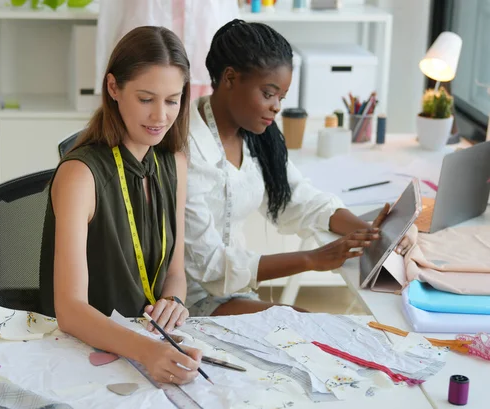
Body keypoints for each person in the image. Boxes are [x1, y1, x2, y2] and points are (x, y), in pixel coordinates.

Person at [184, 19, 414, 317]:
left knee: (317, 327)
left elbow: (297, 198)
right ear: (229, 78)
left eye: (281, 97)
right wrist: (311, 259)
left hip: (231, 290)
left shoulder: (256, 136)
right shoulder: (187, 149)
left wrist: (370, 233)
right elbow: (210, 268)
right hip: (185, 301)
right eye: (268, 94)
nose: (276, 107)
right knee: (309, 327)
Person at [39, 26, 201, 385]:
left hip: (148, 339)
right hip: (82, 351)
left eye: (172, 100)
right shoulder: (80, 175)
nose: (160, 116)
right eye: (146, 99)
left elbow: (174, 272)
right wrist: (146, 351)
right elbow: (70, 311)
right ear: (114, 88)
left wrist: (172, 301)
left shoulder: (173, 161)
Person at [94, 0, 239, 100]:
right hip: (144, 51)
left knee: (198, 131)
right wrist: (104, 72)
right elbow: (111, 13)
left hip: (203, 51)